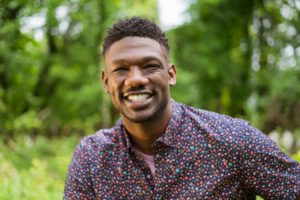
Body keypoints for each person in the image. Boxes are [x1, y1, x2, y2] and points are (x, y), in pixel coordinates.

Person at [64, 17, 300, 199]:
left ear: (171, 75)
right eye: (121, 70)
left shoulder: (233, 140)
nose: (135, 79)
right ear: (106, 82)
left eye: (149, 66)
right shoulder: (91, 158)